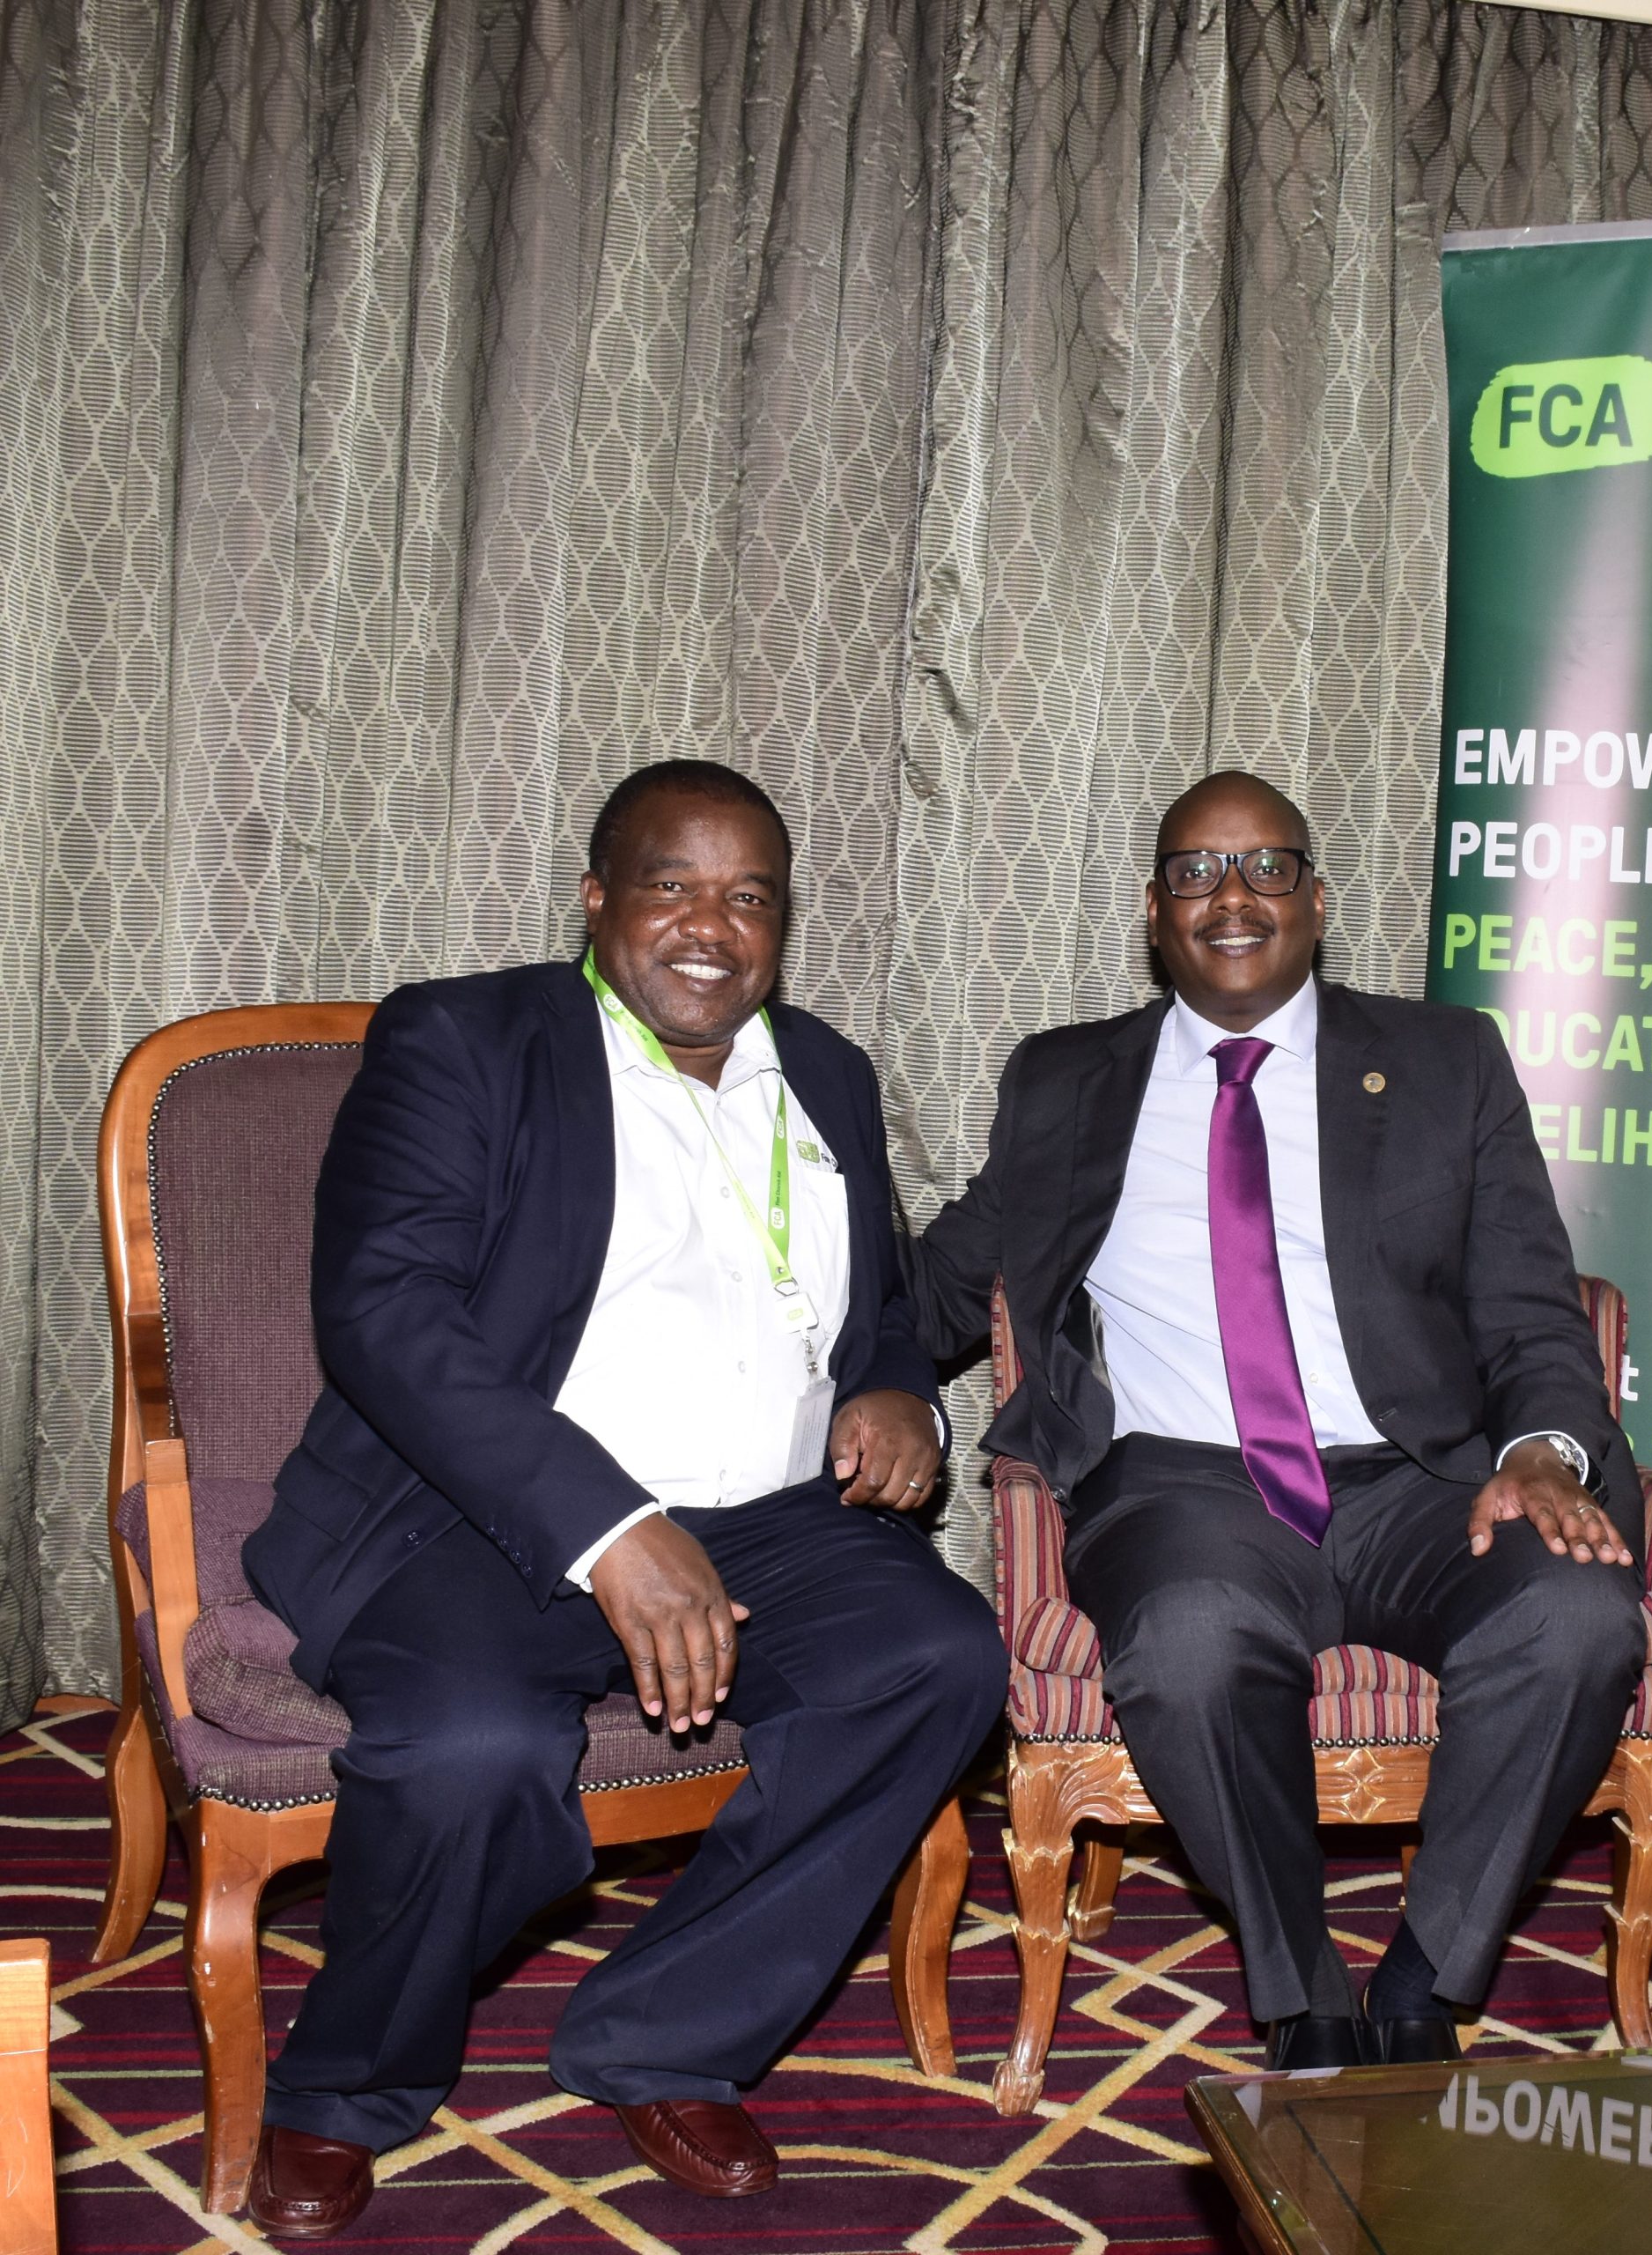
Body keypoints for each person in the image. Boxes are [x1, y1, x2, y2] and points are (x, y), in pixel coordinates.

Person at [239, 760, 1006, 2238]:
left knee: (942, 1660)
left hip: (774, 1516)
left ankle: (665, 2033)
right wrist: (610, 1531)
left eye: (750, 897)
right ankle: (346, 2089)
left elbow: (873, 1311)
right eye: (672, 885)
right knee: (470, 1745)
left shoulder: (828, 1070)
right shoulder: (469, 1039)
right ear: (597, 899)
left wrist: (901, 1384)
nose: (711, 925)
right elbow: (386, 1310)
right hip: (487, 1510)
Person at [911, 770, 1642, 2070]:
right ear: (1154, 911)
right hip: (1186, 1491)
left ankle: (1426, 1980)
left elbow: (1531, 1303)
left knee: (1577, 1613)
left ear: (1315, 898)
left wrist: (1540, 1453)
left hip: (1423, 1480)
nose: (1231, 896)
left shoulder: (1442, 1060)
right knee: (1188, 1642)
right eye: (1195, 871)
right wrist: (842, 1363)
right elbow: (948, 1282)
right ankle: (1302, 1994)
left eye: (1266, 867)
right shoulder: (1067, 1082)